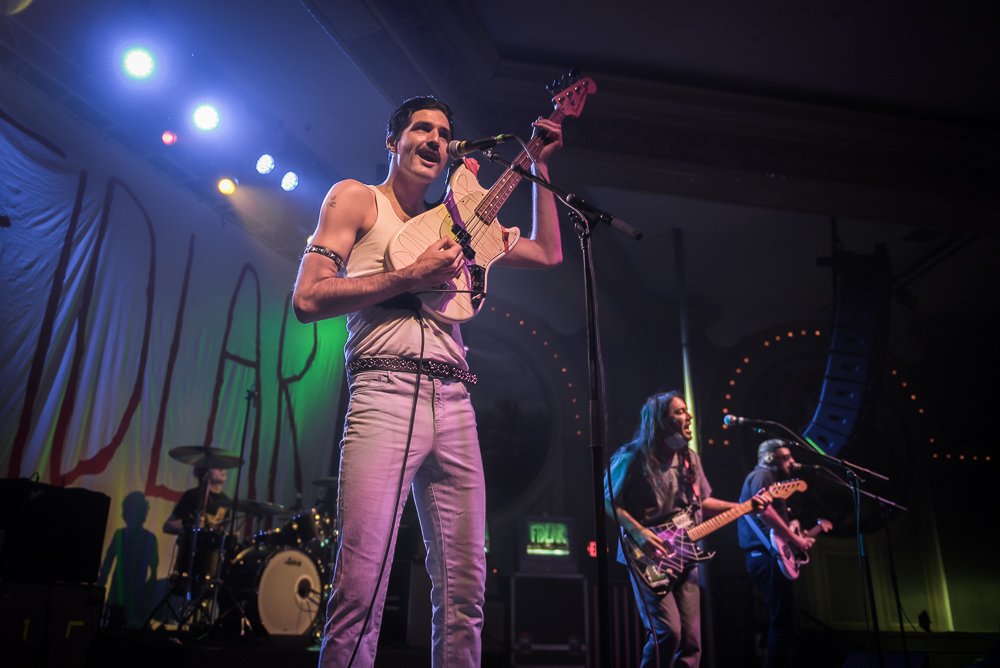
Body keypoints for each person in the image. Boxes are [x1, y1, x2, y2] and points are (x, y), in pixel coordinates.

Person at [292, 96, 563, 667]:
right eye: (422, 128)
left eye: (444, 132)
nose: (436, 140)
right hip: (383, 392)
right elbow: (309, 297)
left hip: (457, 399)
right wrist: (409, 275)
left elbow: (547, 253)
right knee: (360, 584)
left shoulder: (462, 221)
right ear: (393, 141)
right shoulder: (356, 198)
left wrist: (539, 163)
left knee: (466, 592)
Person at [605, 391, 771, 668]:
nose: (689, 416)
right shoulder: (632, 458)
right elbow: (608, 502)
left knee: (692, 642)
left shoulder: (688, 458)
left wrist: (745, 506)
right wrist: (638, 532)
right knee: (668, 633)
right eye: (679, 412)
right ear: (660, 422)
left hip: (685, 556)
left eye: (687, 411)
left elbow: (702, 503)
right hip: (648, 556)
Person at [738, 440, 816, 668]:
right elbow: (764, 512)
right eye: (787, 457)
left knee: (790, 625)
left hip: (771, 555)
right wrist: (795, 539)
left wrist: (795, 535)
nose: (792, 462)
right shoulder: (761, 476)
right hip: (765, 556)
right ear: (771, 458)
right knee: (783, 625)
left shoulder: (770, 481)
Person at [162, 467, 230, 582]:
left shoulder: (227, 502)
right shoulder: (193, 495)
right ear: (206, 472)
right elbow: (167, 526)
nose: (222, 469)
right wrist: (190, 528)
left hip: (212, 560)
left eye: (222, 467)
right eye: (216, 467)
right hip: (190, 557)